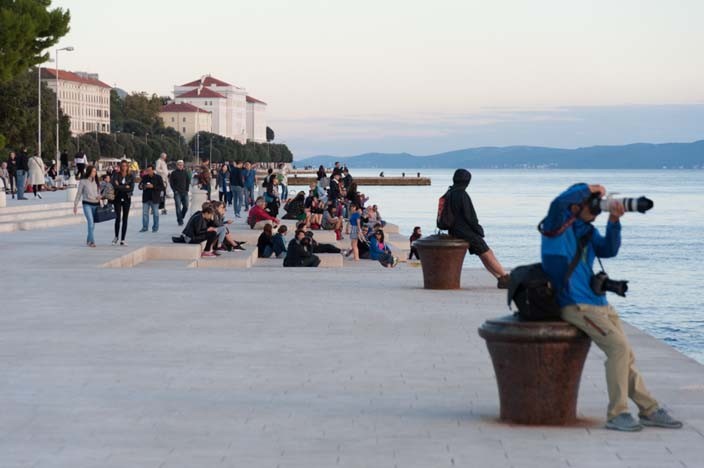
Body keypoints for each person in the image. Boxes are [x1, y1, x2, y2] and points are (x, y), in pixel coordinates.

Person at [540, 183, 682, 432]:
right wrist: (590, 188)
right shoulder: (556, 225)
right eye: (592, 204)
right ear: (576, 206)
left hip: (599, 303)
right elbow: (558, 202)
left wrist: (614, 221)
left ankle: (648, 409)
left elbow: (609, 250)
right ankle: (618, 413)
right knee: (618, 348)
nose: (596, 209)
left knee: (624, 354)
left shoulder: (586, 229)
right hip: (576, 305)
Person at [445, 168, 509, 289]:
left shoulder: (450, 192)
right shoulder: (462, 194)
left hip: (455, 230)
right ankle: (505, 276)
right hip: (466, 231)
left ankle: (500, 278)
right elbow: (471, 217)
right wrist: (478, 229)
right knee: (486, 253)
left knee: (484, 253)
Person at [73, 165, 101, 247]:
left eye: (95, 171)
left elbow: (98, 193)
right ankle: (92, 242)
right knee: (91, 223)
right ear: (89, 172)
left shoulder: (96, 182)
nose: (95, 173)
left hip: (96, 204)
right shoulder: (83, 181)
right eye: (93, 171)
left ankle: (88, 240)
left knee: (93, 225)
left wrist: (100, 197)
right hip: (87, 204)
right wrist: (75, 205)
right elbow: (79, 194)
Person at [111, 160, 134, 246]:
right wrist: (124, 186)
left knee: (125, 219)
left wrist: (120, 186)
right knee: (117, 218)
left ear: (127, 167)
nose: (124, 167)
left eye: (125, 165)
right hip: (117, 198)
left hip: (127, 198)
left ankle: (123, 239)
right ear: (120, 166)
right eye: (122, 165)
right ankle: (116, 236)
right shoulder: (116, 175)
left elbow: (131, 188)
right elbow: (114, 186)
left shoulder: (131, 176)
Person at [138, 164, 165, 233]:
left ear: (153, 170)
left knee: (156, 214)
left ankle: (155, 228)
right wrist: (144, 186)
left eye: (150, 170)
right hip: (146, 198)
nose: (148, 172)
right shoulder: (144, 177)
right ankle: (145, 227)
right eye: (147, 170)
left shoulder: (158, 177)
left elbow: (162, 187)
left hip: (155, 198)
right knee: (145, 213)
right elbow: (140, 186)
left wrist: (153, 186)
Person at [169, 159, 190, 226]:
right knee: (178, 207)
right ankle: (180, 220)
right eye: (179, 165)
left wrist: (187, 189)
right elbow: (171, 183)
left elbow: (188, 181)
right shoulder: (173, 173)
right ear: (177, 165)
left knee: (186, 206)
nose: (180, 166)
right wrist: (174, 190)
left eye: (182, 165)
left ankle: (181, 216)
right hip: (177, 192)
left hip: (185, 192)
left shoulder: (185, 172)